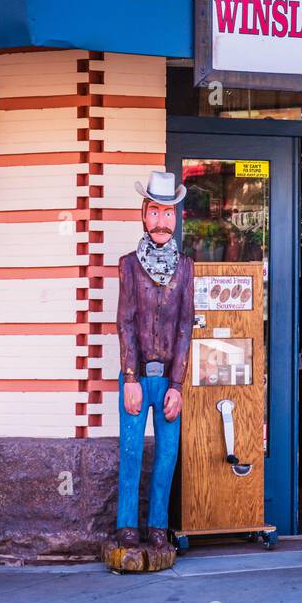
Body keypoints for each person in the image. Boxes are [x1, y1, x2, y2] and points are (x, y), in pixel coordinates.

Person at [115, 171, 194, 552]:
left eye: (168, 213)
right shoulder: (129, 265)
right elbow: (125, 321)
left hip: (168, 380)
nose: (161, 221)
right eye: (154, 212)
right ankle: (127, 525)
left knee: (166, 456)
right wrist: (130, 376)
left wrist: (177, 385)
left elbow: (184, 328)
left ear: (175, 218)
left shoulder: (186, 267)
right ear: (143, 216)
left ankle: (158, 525)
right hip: (136, 376)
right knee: (130, 453)